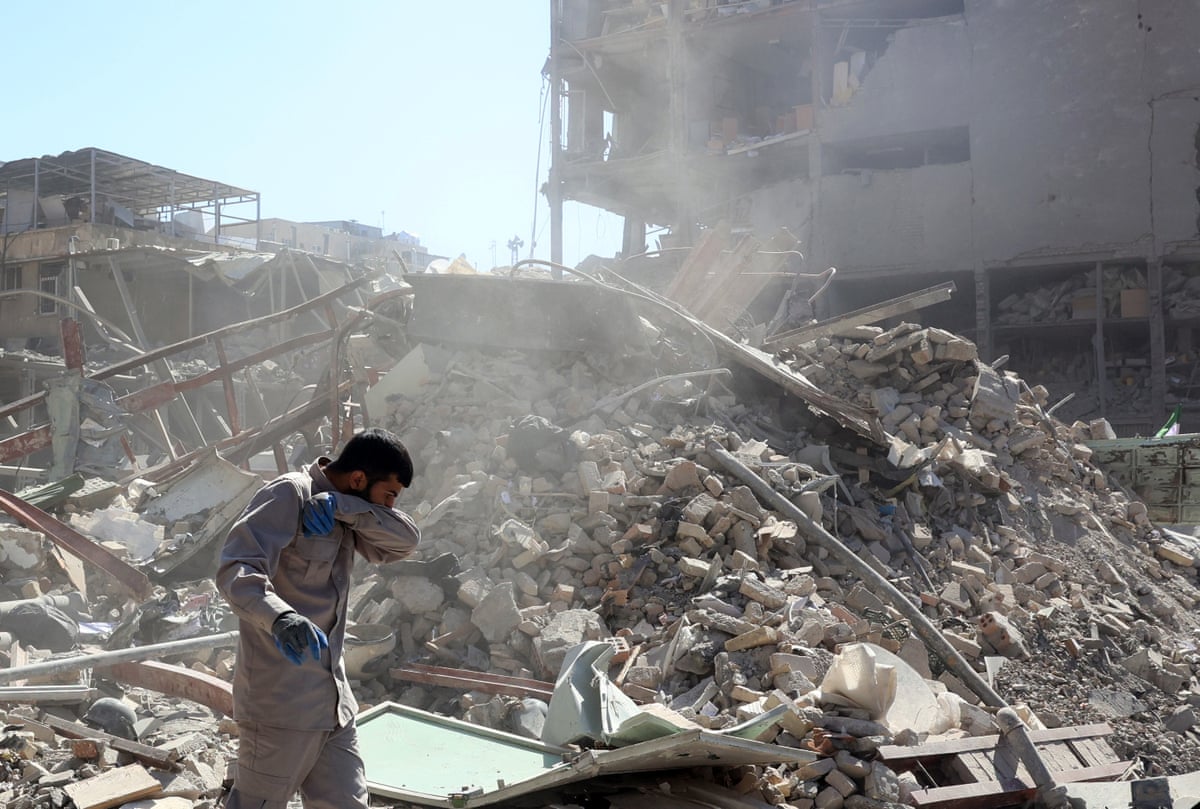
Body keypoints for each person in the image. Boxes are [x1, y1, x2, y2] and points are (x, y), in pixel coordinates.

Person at [216, 428, 457, 809]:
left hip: (333, 707)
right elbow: (235, 570)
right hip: (281, 707)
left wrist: (344, 507)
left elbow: (406, 540)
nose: (390, 506)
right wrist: (280, 618)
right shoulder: (287, 494)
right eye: (389, 494)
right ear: (359, 479)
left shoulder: (345, 510)